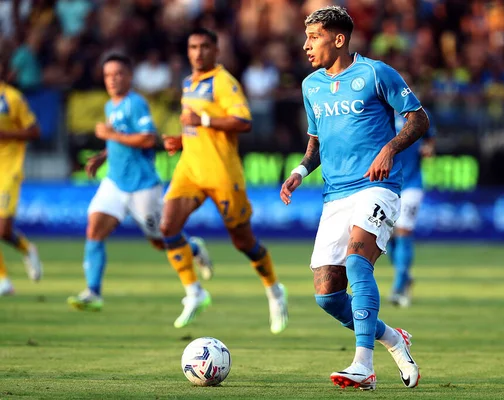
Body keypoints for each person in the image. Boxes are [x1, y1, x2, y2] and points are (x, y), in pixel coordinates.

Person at [280, 6, 429, 390]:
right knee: (327, 295)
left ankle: (363, 365)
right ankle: (393, 338)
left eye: (314, 37)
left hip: (377, 186)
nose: (306, 45)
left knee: (358, 261)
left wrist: (390, 148)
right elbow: (316, 143)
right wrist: (299, 172)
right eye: (307, 37)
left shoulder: (376, 73)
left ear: (339, 39)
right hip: (335, 194)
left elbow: (418, 119)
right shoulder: (310, 85)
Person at [161, 28, 289, 333]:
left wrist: (202, 121)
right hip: (190, 168)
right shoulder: (188, 82)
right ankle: (195, 292)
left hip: (222, 173)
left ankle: (274, 290)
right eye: (193, 46)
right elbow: (196, 126)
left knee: (243, 242)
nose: (198, 52)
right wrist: (182, 139)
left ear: (216, 51)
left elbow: (243, 121)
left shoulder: (224, 81)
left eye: (205, 46)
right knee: (167, 227)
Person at [67, 54, 212, 313]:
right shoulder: (111, 105)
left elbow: (147, 139)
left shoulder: (136, 104)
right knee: (94, 230)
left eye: (118, 74)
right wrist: (103, 155)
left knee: (161, 241)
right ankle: (93, 292)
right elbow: (120, 140)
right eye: (108, 75)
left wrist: (110, 135)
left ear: (129, 77)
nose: (112, 80)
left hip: (143, 187)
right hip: (115, 183)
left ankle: (194, 248)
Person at [0, 56, 43, 296]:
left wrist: (6, 134)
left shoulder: (11, 98)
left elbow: (35, 130)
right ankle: (3, 281)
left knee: (3, 230)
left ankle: (28, 249)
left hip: (8, 169)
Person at [389, 110, 436, 308]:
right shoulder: (377, 112)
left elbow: (430, 140)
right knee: (386, 237)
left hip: (411, 184)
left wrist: (428, 149)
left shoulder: (417, 114)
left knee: (404, 230)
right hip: (386, 185)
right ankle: (406, 276)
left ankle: (399, 287)